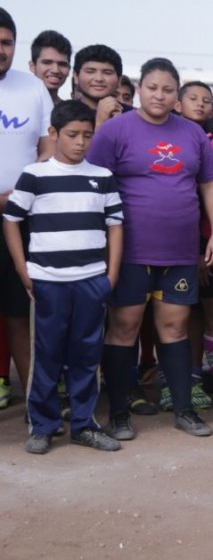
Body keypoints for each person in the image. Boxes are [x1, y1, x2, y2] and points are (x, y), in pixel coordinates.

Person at [87, 57, 213, 441]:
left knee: (174, 328)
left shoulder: (193, 134)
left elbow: (210, 183)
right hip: (128, 251)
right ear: (139, 88)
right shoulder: (115, 131)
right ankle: (117, 413)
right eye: (152, 88)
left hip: (180, 252)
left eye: (167, 90)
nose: (159, 96)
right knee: (125, 327)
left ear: (176, 96)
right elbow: (95, 183)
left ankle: (184, 409)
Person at [3, 99, 123, 454]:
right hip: (48, 281)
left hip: (91, 280)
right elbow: (11, 220)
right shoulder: (34, 175)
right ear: (53, 133)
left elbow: (116, 226)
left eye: (87, 135)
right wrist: (22, 268)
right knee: (47, 353)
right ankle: (43, 425)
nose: (81, 142)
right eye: (72, 135)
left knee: (87, 354)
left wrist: (111, 275)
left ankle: (84, 424)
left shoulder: (102, 177)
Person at [0, 7, 55, 407]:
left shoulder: (31, 88)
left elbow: (46, 148)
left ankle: (37, 403)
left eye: (6, 43)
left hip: (19, 218)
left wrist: (16, 197)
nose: (1, 50)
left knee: (21, 311)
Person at [72, 44, 127, 130]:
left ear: (119, 80)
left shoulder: (134, 116)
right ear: (76, 77)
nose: (99, 79)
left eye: (107, 72)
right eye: (90, 71)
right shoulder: (62, 113)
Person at [28, 30, 71, 104]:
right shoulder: (14, 104)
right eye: (47, 62)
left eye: (62, 64)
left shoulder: (70, 113)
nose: (55, 70)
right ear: (32, 66)